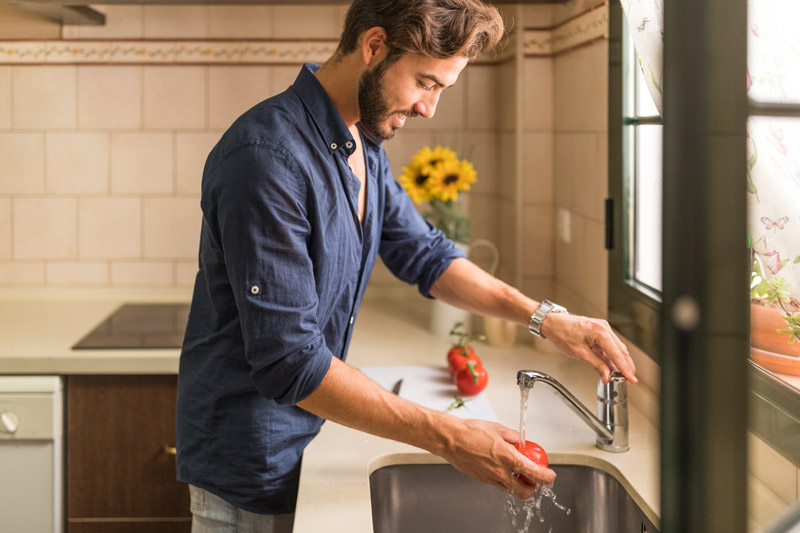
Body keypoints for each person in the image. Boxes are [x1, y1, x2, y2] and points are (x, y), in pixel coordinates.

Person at [176, 0, 638, 531]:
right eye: (426, 83)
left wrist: (545, 318)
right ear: (373, 46)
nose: (429, 108)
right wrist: (450, 437)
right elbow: (290, 361)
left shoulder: (361, 140)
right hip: (249, 468)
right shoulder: (267, 158)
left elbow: (427, 256)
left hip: (308, 442)